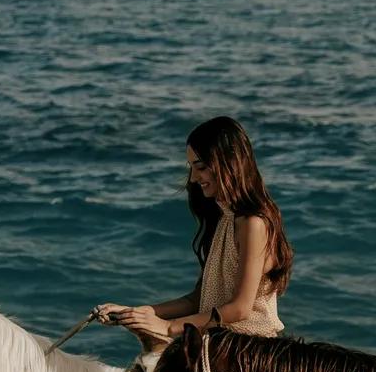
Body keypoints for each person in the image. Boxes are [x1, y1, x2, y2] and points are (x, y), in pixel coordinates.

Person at [97, 116, 292, 349]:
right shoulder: (224, 218)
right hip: (218, 343)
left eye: (200, 167)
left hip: (248, 349)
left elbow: (240, 308)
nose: (193, 178)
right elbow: (198, 299)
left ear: (229, 163)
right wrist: (139, 314)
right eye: (192, 168)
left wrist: (168, 327)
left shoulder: (253, 223)